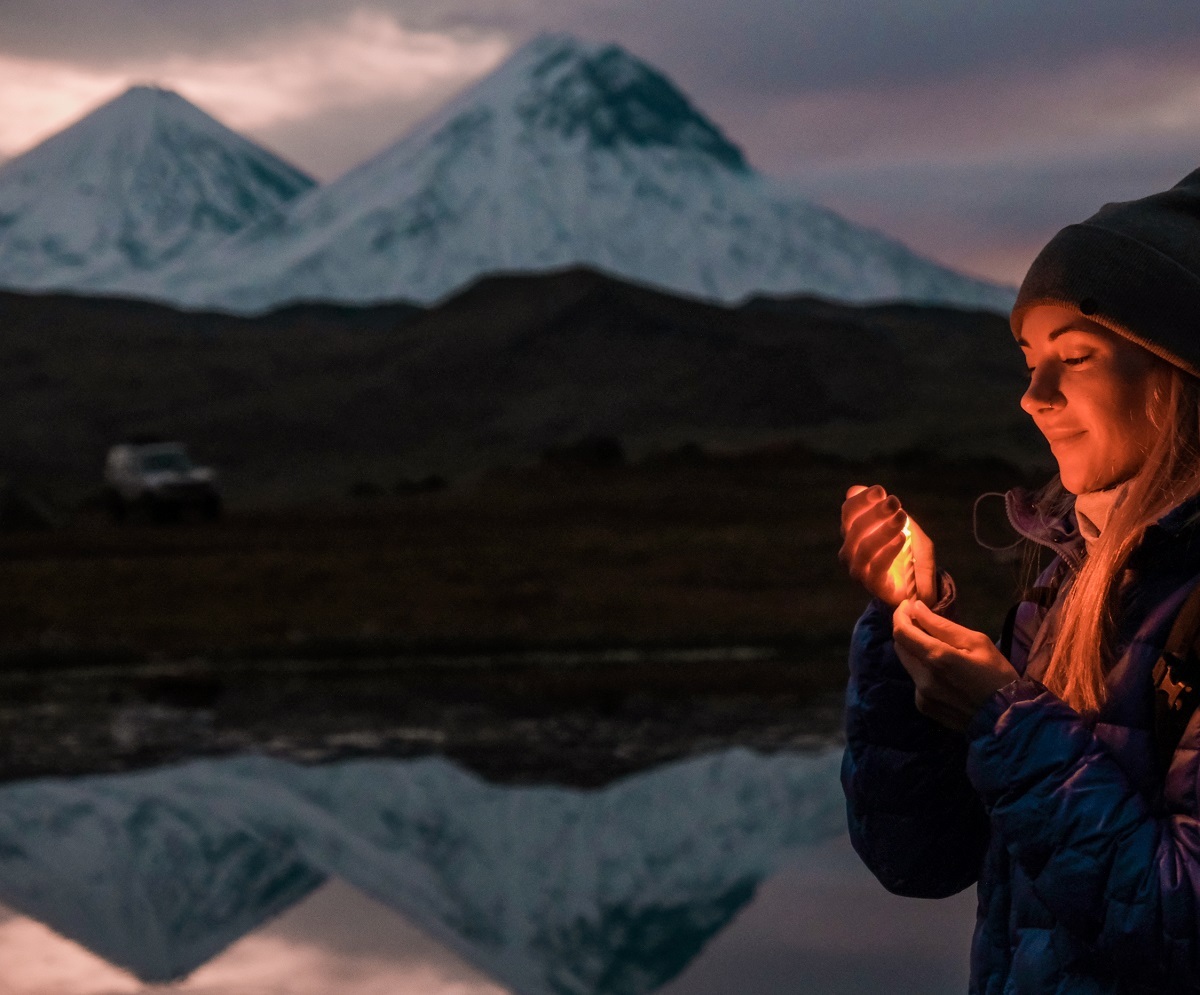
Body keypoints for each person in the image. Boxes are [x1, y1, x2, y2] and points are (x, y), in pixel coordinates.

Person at [838, 171, 1200, 993]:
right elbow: (922, 856)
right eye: (1029, 360)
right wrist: (906, 644)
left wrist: (1003, 719)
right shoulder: (1066, 579)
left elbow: (1180, 927)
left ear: (1178, 374)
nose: (1033, 397)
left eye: (1074, 358)